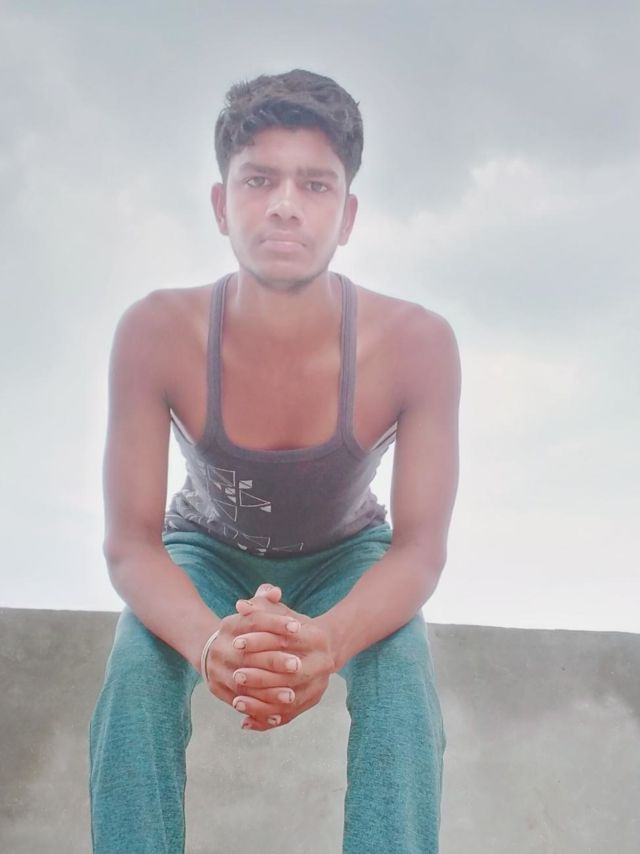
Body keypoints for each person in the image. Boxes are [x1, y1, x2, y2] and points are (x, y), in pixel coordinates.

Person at [89, 68, 460, 854]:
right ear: (221, 204)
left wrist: (331, 642)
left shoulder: (416, 344)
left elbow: (420, 550)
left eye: (315, 185)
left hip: (348, 554)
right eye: (259, 180)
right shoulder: (157, 331)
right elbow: (131, 544)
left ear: (347, 215)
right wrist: (208, 645)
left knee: (402, 675)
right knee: (135, 668)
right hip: (204, 548)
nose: (286, 204)